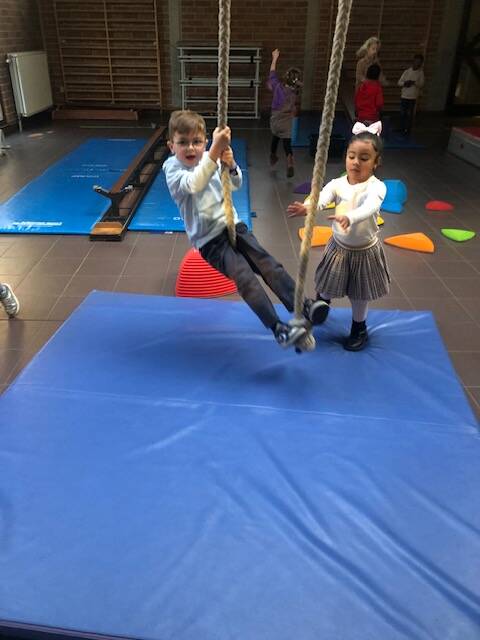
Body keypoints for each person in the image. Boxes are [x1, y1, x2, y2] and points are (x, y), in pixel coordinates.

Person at [163, 110, 328, 350]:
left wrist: (231, 165)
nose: (190, 148)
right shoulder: (173, 169)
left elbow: (236, 183)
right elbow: (195, 184)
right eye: (183, 142)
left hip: (233, 226)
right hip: (210, 241)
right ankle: (278, 328)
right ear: (171, 146)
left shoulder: (211, 157)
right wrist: (215, 152)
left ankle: (303, 305)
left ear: (205, 142)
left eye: (196, 142)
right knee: (245, 279)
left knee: (268, 264)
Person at [287, 121, 390, 351]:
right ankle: (321, 305)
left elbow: (370, 207)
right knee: (327, 282)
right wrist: (307, 207)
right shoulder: (338, 184)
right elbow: (322, 198)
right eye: (351, 156)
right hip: (339, 247)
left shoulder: (377, 187)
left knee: (359, 294)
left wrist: (350, 217)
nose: (356, 162)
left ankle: (359, 328)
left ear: (376, 163)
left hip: (364, 251)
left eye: (364, 158)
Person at [267, 48, 302, 178]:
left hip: (276, 119)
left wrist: (274, 58)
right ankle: (290, 161)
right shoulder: (294, 93)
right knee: (287, 143)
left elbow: (272, 74)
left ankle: (273, 155)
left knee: (275, 137)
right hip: (287, 120)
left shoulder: (278, 87)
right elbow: (294, 108)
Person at [397, 54, 425, 136]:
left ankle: (407, 129)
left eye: (419, 62)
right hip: (404, 95)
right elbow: (399, 82)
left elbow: (421, 84)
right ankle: (401, 127)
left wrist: (414, 82)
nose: (417, 63)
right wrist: (405, 83)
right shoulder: (407, 72)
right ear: (413, 61)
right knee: (403, 113)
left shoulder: (420, 73)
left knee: (410, 114)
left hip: (412, 97)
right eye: (416, 61)